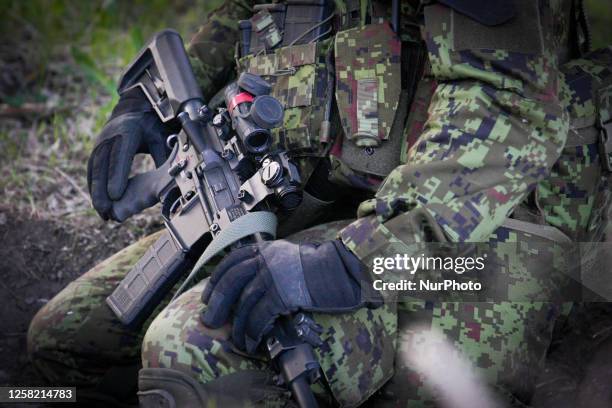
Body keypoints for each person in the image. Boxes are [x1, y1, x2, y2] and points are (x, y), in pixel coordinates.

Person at [27, 0, 612, 406]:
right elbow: (245, 15)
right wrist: (141, 104)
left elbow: (508, 108)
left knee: (187, 355)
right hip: (302, 200)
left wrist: (353, 262)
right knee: (63, 347)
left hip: (465, 240)